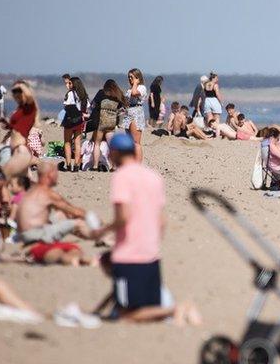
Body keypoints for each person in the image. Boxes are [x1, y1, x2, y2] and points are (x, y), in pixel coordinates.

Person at [89, 133, 174, 321]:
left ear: (116, 152)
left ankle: (175, 311)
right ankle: (171, 311)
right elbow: (162, 221)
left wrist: (100, 231)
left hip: (129, 256)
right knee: (145, 307)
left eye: (110, 153)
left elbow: (123, 218)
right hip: (151, 254)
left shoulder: (122, 177)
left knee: (125, 314)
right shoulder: (153, 176)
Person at [15, 162, 97, 260]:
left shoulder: (32, 190)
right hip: (37, 235)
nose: (58, 176)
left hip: (23, 235)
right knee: (78, 223)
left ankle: (88, 234)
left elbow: (67, 212)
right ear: (50, 175)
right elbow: (75, 212)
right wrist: (96, 220)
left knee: (61, 215)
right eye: (56, 173)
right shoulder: (47, 193)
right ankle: (100, 236)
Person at [89, 79, 125, 172]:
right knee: (112, 146)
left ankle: (95, 166)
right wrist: (119, 123)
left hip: (100, 122)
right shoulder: (117, 95)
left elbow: (93, 105)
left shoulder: (101, 93)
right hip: (111, 123)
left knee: (97, 144)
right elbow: (121, 111)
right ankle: (114, 167)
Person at [61, 76, 90, 173]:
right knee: (78, 144)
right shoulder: (84, 95)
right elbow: (88, 107)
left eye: (69, 83)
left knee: (67, 142)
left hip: (70, 119)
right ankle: (77, 165)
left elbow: (67, 106)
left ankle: (69, 165)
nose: (68, 85)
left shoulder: (70, 93)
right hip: (80, 121)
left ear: (73, 84)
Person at [120, 68, 147, 162]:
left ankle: (138, 165)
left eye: (132, 77)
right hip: (128, 112)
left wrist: (136, 83)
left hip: (136, 113)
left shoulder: (141, 88)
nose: (130, 79)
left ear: (137, 77)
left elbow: (135, 93)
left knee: (136, 142)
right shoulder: (129, 89)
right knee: (129, 142)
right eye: (129, 77)